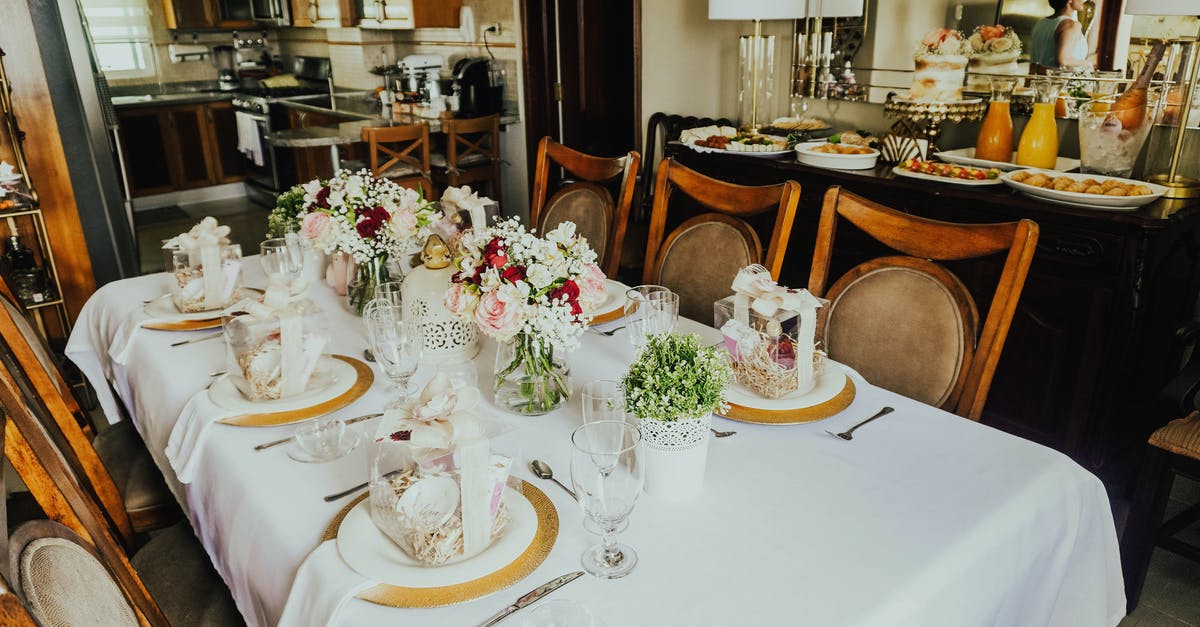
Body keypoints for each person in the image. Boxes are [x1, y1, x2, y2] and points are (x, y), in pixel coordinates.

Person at [1029, 0, 1100, 72]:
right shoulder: (1071, 25)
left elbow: (1034, 63)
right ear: (1070, 1)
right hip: (1060, 82)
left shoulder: (1041, 23)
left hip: (1037, 81)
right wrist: (1087, 63)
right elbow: (1063, 60)